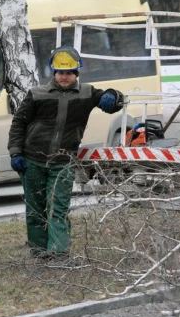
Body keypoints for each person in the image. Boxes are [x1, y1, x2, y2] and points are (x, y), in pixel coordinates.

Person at [7, 46, 124, 260]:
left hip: (64, 161)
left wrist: (112, 97)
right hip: (33, 159)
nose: (64, 77)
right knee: (35, 209)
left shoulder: (87, 94)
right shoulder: (37, 94)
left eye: (69, 72)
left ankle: (59, 253)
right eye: (60, 73)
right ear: (54, 73)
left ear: (76, 74)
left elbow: (115, 99)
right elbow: (19, 124)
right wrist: (16, 153)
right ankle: (40, 253)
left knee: (57, 208)